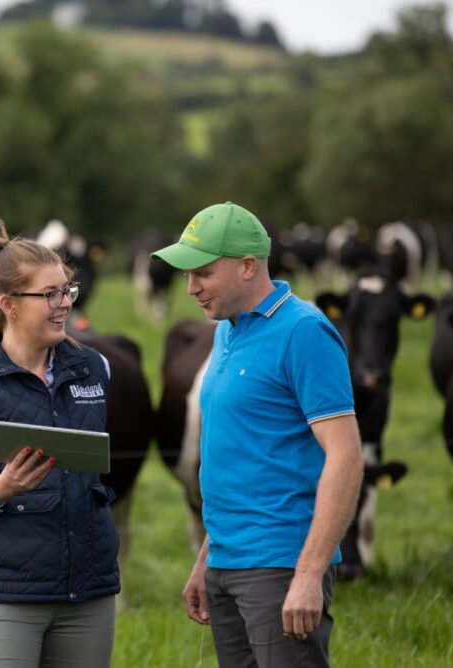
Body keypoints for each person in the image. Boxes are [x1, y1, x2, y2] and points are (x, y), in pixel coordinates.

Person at [152, 202, 364, 667]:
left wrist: (308, 574)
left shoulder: (304, 332)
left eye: (203, 273)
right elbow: (236, 457)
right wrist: (208, 557)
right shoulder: (227, 331)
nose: (191, 288)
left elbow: (346, 457)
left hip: (280, 566)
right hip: (226, 563)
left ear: (248, 266)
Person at [0, 218, 120, 667]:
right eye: (49, 295)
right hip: (1, 597)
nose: (63, 305)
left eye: (67, 292)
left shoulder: (96, 371)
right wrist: (2, 488)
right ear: (9, 305)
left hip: (88, 594)